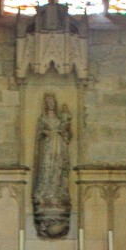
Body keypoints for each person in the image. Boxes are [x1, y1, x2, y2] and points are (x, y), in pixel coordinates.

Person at [32, 93, 73, 237]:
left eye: (52, 101)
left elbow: (68, 135)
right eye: (48, 101)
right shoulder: (42, 119)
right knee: (47, 170)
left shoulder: (59, 119)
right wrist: (45, 133)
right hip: (47, 149)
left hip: (59, 149)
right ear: (45, 104)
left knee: (58, 170)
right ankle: (46, 195)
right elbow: (39, 136)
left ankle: (58, 194)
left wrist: (65, 128)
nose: (50, 104)